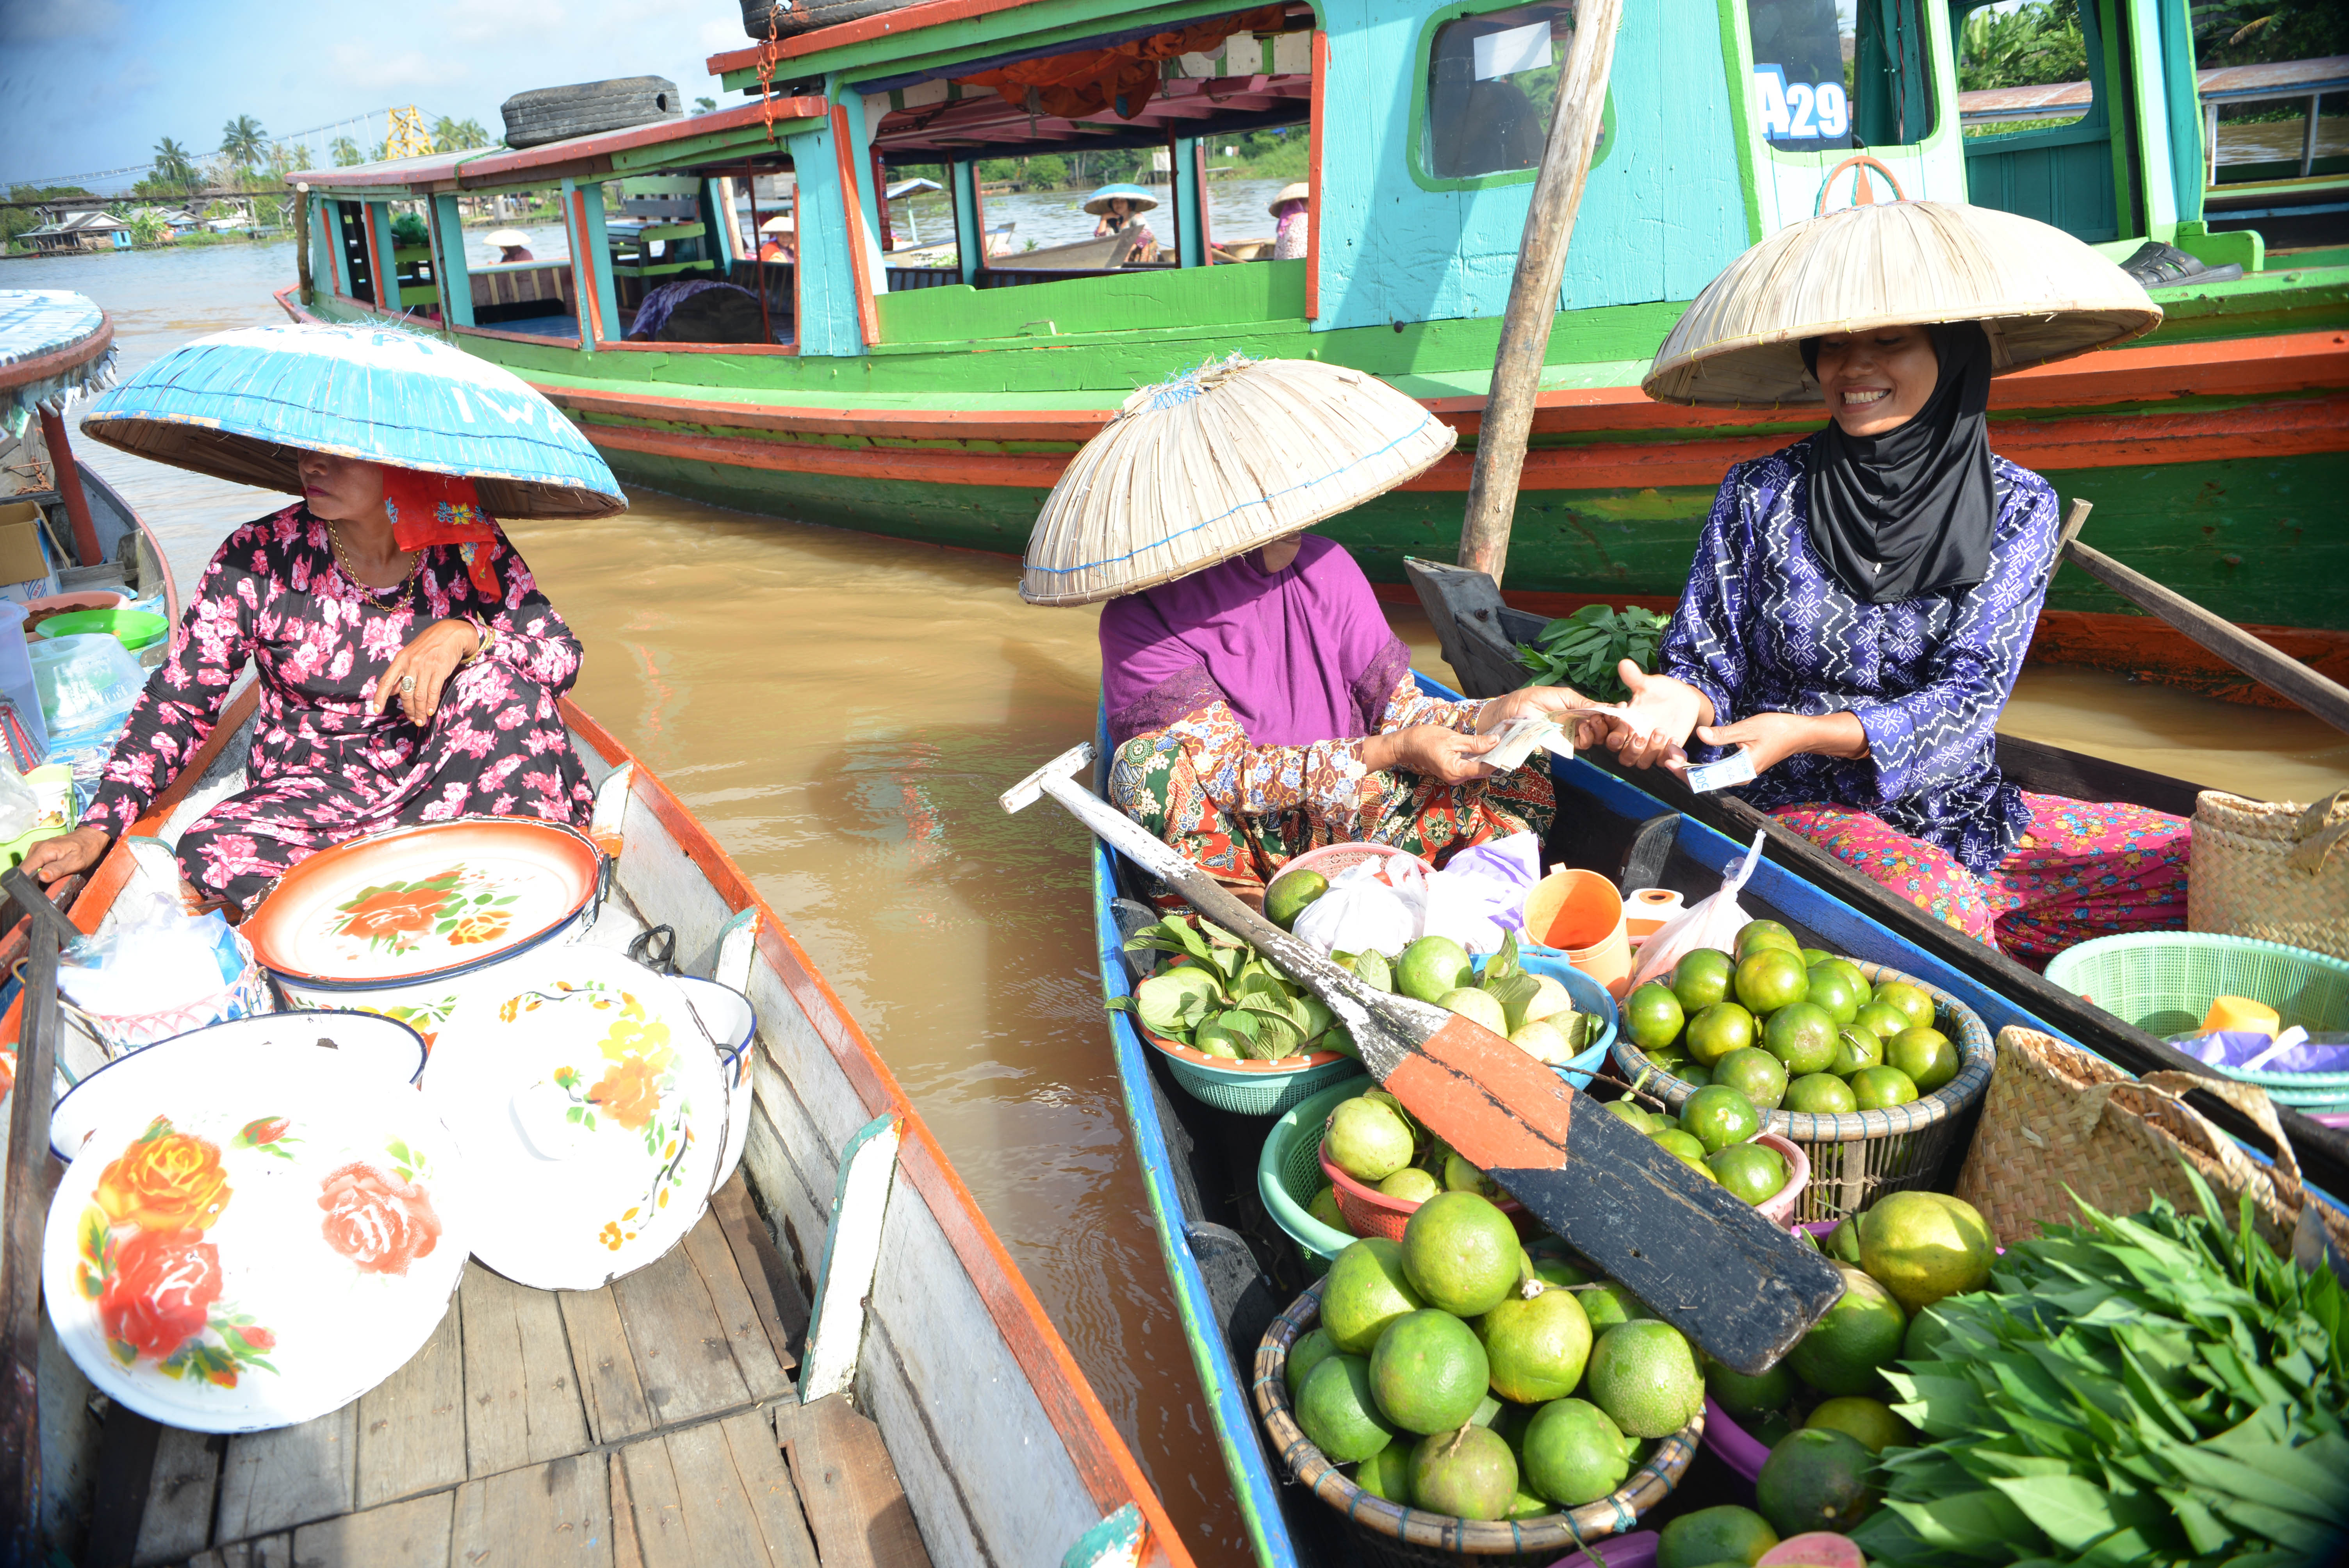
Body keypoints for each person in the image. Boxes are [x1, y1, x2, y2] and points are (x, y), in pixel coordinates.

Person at [1588, 320, 2188, 961]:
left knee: (2192, 857)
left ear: (1951, 352)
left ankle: (1988, 936)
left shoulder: (2017, 503)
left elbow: (1970, 696)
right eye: (1834, 346)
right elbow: (1706, 661)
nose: (1853, 367)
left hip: (1963, 813)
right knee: (1938, 903)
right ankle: (1975, 949)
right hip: (1790, 798)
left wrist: (1811, 726)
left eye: (1888, 343)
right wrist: (1673, 703)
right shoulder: (1759, 492)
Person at [21, 454, 594, 910]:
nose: (312, 466)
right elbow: (178, 703)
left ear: (406, 461)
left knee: (504, 687)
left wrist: (468, 635)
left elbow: (561, 658)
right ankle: (430, 877)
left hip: (442, 772)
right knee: (208, 850)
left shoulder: (465, 543)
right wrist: (98, 828)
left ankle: (425, 876)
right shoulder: (258, 557)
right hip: (315, 791)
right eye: (308, 451)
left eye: (340, 454)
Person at [1103, 531, 1583, 908]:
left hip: (1357, 815)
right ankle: (1244, 929)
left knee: (1518, 760)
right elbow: (1230, 776)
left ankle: (1459, 908)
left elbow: (1402, 711)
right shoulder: (1139, 617)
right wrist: (1391, 750)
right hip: (1239, 846)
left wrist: (1495, 711)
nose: (1292, 521)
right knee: (1144, 767)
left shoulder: (1323, 565)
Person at [1085, 186, 1159, 262]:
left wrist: (1128, 251)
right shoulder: (1112, 221)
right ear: (1112, 205)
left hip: (1136, 251)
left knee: (1146, 245)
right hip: (1120, 253)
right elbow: (1101, 241)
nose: (1119, 204)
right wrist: (1104, 219)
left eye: (1122, 201)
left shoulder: (1136, 216)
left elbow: (1145, 235)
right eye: (1116, 202)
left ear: (1128, 203)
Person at [1269, 182, 1309, 261]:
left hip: (1283, 265)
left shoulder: (1287, 220)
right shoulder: (1305, 219)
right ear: (1301, 202)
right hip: (1300, 264)